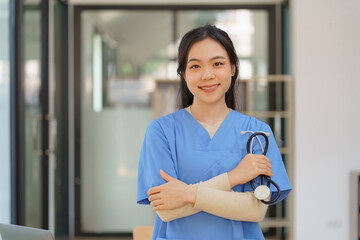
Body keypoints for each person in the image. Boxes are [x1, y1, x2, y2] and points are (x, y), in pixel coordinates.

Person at [137, 25, 292, 240]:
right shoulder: (161, 132)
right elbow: (167, 210)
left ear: (233, 68)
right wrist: (233, 177)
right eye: (195, 66)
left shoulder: (256, 133)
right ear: (183, 73)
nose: (207, 75)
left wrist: (188, 193)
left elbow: (255, 210)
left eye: (217, 64)